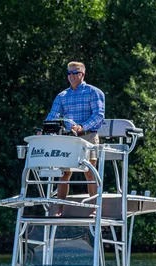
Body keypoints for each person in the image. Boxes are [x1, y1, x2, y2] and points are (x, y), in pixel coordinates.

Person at [45, 61, 105, 215]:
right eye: (69, 73)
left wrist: (82, 126)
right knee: (64, 173)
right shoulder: (62, 96)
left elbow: (98, 115)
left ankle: (94, 209)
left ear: (82, 74)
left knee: (90, 173)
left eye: (75, 72)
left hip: (88, 136)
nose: (71, 76)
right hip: (68, 138)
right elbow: (53, 115)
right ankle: (59, 210)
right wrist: (45, 129)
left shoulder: (93, 92)